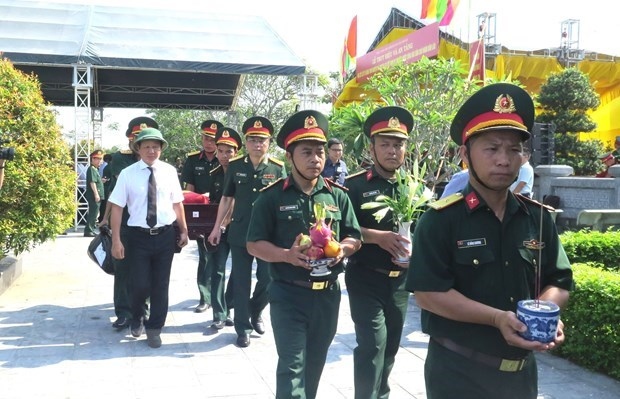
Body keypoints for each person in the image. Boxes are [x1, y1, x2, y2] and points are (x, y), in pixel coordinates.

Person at [406, 83, 573, 399]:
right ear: (465, 154)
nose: (504, 160)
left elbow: (559, 280)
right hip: (458, 374)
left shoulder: (536, 218)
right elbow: (428, 294)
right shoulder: (440, 220)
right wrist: (497, 318)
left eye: (514, 150)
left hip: (521, 378)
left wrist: (545, 311)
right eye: (492, 148)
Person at [246, 109, 362, 399]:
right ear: (289, 157)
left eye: (320, 152)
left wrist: (342, 250)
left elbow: (354, 236)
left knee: (314, 365)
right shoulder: (271, 197)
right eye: (307, 152)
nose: (316, 159)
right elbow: (253, 243)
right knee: (292, 365)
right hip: (288, 294)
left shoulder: (337, 195)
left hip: (327, 295)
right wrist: (286, 255)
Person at [345, 106, 414, 398]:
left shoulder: (413, 187)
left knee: (391, 347)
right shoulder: (355, 186)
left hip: (400, 282)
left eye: (398, 144)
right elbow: (341, 230)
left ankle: (381, 394)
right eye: (385, 144)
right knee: (372, 345)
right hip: (365, 278)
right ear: (372, 148)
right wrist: (376, 237)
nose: (392, 151)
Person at [207, 116, 285, 348]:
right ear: (246, 143)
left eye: (261, 140)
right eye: (252, 140)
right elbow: (226, 198)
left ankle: (255, 310)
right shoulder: (236, 166)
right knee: (241, 281)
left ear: (269, 142)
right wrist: (216, 228)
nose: (257, 144)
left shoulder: (278, 168)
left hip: (268, 235)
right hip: (240, 232)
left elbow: (282, 202)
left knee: (267, 278)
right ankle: (243, 327)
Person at [108, 127, 189, 348]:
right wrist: (116, 240)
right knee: (139, 283)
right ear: (138, 149)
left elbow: (177, 203)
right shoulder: (128, 174)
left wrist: (183, 230)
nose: (151, 151)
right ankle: (137, 317)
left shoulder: (170, 172)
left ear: (161, 149)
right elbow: (116, 208)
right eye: (146, 147)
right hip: (137, 237)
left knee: (160, 285)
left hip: (164, 235)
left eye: (155, 147)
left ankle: (155, 328)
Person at [100, 116, 158, 330]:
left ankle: (143, 311)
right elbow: (115, 196)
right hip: (123, 223)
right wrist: (105, 219)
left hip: (148, 225)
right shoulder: (120, 159)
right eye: (136, 138)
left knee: (148, 270)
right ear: (130, 140)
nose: (142, 142)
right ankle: (123, 312)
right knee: (123, 268)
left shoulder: (158, 161)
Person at [182, 119, 224, 313]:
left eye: (213, 139)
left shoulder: (227, 158)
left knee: (222, 260)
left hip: (223, 212)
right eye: (206, 138)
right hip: (202, 215)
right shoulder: (192, 160)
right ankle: (204, 297)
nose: (210, 142)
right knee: (205, 256)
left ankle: (223, 301)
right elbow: (188, 191)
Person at [204, 126, 242, 330]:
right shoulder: (215, 174)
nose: (225, 156)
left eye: (229, 151)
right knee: (217, 270)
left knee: (238, 270)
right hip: (218, 229)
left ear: (236, 153)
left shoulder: (243, 171)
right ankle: (219, 313)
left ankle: (230, 306)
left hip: (238, 228)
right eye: (221, 151)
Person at [84, 150, 104, 237]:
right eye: (97, 159)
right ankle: (89, 230)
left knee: (95, 213)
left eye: (100, 159)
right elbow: (92, 182)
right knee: (93, 213)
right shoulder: (91, 169)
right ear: (92, 159)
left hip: (96, 195)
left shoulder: (95, 169)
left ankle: (90, 229)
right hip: (93, 195)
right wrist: (96, 194)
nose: (99, 161)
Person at [98, 153, 113, 223]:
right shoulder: (109, 167)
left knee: (103, 205)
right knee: (106, 205)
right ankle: (104, 219)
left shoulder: (103, 166)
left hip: (104, 187)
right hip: (107, 188)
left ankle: (101, 218)